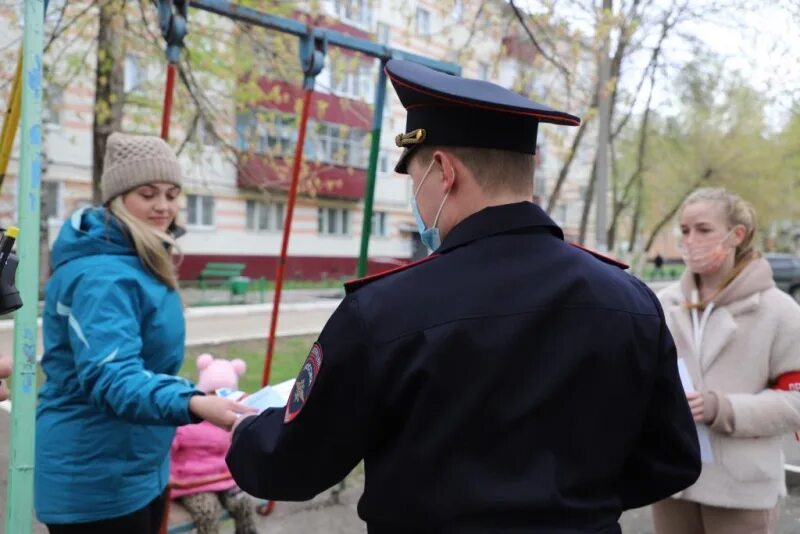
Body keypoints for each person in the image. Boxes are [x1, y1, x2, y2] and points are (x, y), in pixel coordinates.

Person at [227, 60, 701, 533]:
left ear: (442, 170)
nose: (416, 195)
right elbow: (672, 459)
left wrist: (244, 429)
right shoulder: (631, 300)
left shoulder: (384, 311)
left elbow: (288, 466)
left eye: (414, 179)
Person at [35, 133, 253, 534]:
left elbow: (144, 365)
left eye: (172, 194)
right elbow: (112, 375)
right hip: (95, 476)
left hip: (137, 461)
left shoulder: (138, 257)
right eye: (148, 193)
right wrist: (193, 403)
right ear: (119, 198)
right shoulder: (102, 275)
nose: (163, 206)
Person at [652, 187, 800, 534]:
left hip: (741, 489)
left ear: (737, 235)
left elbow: (796, 400)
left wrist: (723, 409)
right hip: (673, 481)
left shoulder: (780, 311)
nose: (690, 240)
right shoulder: (664, 303)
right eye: (685, 231)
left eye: (703, 230)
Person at [170, 354, 258, 534]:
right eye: (212, 394)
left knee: (244, 504)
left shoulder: (232, 420)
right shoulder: (187, 421)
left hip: (223, 477)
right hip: (192, 482)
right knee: (208, 511)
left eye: (224, 394)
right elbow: (168, 449)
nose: (217, 402)